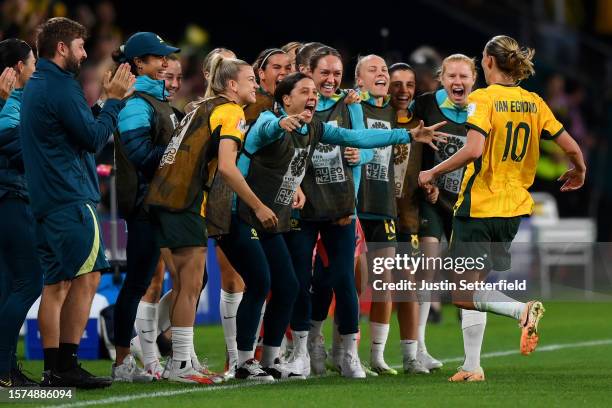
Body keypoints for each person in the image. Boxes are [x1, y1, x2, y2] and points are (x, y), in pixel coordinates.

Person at [243, 72, 445, 379]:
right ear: (286, 99)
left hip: (277, 215)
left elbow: (357, 138)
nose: (313, 96)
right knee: (266, 284)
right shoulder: (269, 121)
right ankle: (245, 360)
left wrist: (407, 136)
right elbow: (264, 130)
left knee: (287, 285)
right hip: (248, 214)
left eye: (314, 92)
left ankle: (273, 361)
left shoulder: (314, 127)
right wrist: (279, 123)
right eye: (305, 91)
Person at [418, 35, 586, 382]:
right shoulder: (533, 101)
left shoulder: (483, 98)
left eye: (482, 57)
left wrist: (433, 171)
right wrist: (580, 169)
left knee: (460, 292)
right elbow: (569, 144)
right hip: (513, 209)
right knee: (474, 285)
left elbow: (474, 150)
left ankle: (521, 310)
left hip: (480, 205)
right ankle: (472, 365)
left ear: (490, 62)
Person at [145, 54, 275, 383]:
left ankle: (175, 357)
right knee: (189, 284)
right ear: (232, 85)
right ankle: (179, 365)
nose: (255, 86)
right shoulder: (230, 110)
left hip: (163, 197)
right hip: (184, 201)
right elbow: (229, 168)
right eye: (250, 80)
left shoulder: (202, 107)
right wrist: (258, 206)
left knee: (186, 284)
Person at [20, 17, 134, 388]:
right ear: (62, 48)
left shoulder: (38, 85)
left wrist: (102, 102)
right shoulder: (62, 86)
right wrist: (115, 102)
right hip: (70, 197)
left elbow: (77, 130)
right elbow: (93, 138)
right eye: (81, 46)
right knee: (87, 278)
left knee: (56, 286)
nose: (85, 53)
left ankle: (54, 369)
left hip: (46, 199)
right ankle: (66, 364)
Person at [111, 32, 180, 383]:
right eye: (158, 57)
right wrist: (181, 154)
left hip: (161, 205)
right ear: (139, 63)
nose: (165, 62)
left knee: (183, 280)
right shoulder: (136, 104)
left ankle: (158, 352)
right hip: (144, 207)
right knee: (137, 283)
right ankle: (124, 359)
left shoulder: (159, 102)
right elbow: (140, 157)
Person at [414, 53, 478, 372]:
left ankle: (472, 359)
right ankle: (420, 348)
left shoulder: (482, 109)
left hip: (466, 203)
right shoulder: (426, 104)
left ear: (474, 79)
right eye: (451, 76)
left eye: (463, 76)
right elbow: (409, 141)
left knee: (467, 278)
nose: (458, 82)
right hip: (431, 198)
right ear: (441, 78)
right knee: (427, 267)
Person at [0, 38, 40, 387]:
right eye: (31, 63)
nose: (35, 70)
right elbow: (18, 150)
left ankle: (7, 367)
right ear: (16, 70)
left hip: (11, 196)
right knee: (30, 280)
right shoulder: (10, 104)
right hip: (10, 198)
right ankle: (2, 369)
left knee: (8, 284)